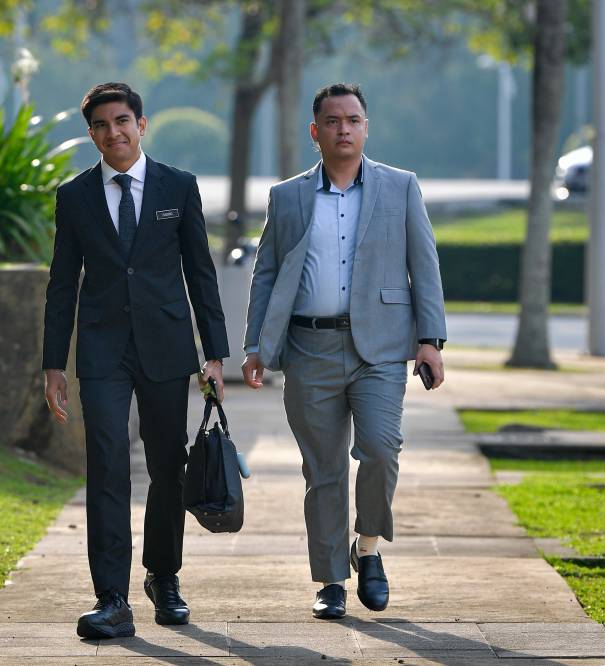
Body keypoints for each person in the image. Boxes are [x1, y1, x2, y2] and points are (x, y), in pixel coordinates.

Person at [242, 82, 447, 620]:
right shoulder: (287, 196)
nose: (344, 129)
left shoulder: (401, 187)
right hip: (308, 348)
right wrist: (256, 344)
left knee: (380, 449)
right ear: (316, 132)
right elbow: (266, 273)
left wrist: (431, 340)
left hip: (380, 348)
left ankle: (368, 548)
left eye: (353, 120)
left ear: (365, 127)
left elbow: (424, 266)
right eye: (332, 121)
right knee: (324, 469)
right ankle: (331, 579)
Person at [42, 82, 229, 639]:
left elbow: (201, 273)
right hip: (102, 350)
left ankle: (163, 578)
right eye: (101, 125)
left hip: (167, 346)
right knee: (107, 464)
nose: (113, 133)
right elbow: (61, 284)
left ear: (141, 125)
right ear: (91, 134)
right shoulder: (74, 196)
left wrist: (214, 354)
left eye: (122, 121)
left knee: (168, 465)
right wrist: (53, 364)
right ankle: (111, 598)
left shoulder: (179, 187)